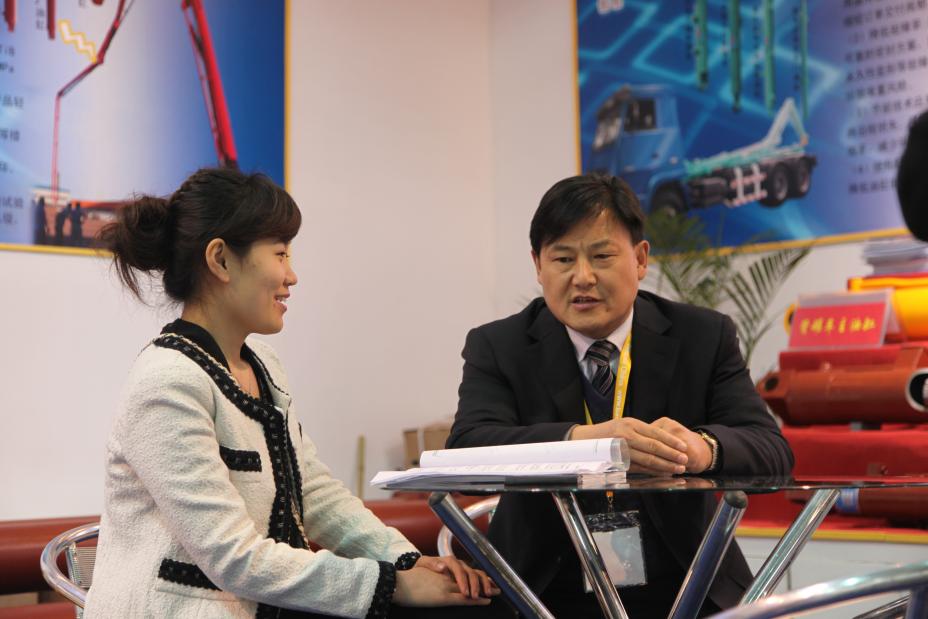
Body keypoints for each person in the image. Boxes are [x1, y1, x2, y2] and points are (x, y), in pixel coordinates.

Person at [86, 167, 499, 618]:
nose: (292, 276)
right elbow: (233, 557)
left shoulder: (263, 364)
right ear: (220, 260)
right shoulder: (167, 382)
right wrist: (391, 584)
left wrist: (406, 560)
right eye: (280, 254)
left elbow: (312, 491)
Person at [447, 173, 794, 618]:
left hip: (685, 581)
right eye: (563, 259)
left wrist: (701, 448)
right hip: (542, 589)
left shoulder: (702, 336)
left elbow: (772, 452)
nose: (583, 277)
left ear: (640, 258)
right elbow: (467, 450)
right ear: (538, 265)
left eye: (602, 256)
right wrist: (585, 441)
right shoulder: (499, 345)